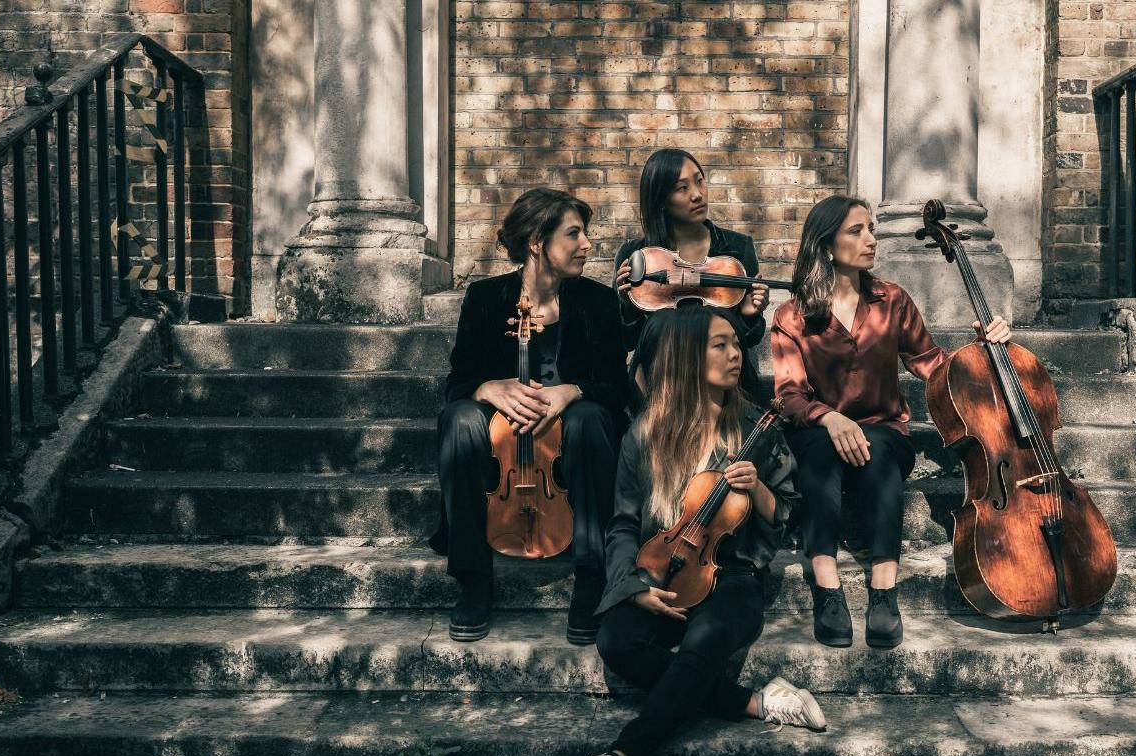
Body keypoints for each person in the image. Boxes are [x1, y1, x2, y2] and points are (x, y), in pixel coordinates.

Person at [570, 307, 825, 756]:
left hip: (731, 575)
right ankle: (759, 703)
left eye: (736, 344)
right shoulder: (645, 433)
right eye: (720, 345)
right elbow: (623, 525)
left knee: (700, 646)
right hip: (663, 569)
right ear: (689, 356)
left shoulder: (757, 426)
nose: (736, 355)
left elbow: (787, 511)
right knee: (616, 641)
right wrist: (632, 588)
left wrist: (759, 492)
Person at [770, 195, 1012, 650]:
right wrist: (830, 418)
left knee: (880, 452)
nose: (870, 240)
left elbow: (934, 366)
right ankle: (827, 589)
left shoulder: (892, 300)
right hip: (820, 434)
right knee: (819, 455)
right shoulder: (792, 316)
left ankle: (884, 591)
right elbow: (789, 397)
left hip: (883, 431)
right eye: (855, 231)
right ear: (825, 244)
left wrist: (982, 349)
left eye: (871, 230)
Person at [434, 188, 629, 646]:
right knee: (459, 421)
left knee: (588, 419)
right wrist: (487, 388)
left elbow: (617, 389)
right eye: (574, 234)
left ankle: (592, 576)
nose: (587, 244)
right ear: (538, 241)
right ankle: (473, 577)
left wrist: (572, 390)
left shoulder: (597, 303)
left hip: (573, 454)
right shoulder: (485, 298)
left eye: (586, 233)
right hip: (505, 454)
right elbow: (457, 382)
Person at [613, 148, 771, 403]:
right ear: (661, 199)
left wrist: (749, 317)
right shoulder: (637, 254)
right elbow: (629, 342)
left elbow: (749, 339)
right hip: (663, 381)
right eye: (682, 188)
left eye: (699, 181)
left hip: (724, 383)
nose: (697, 195)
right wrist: (626, 307)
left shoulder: (737, 248)